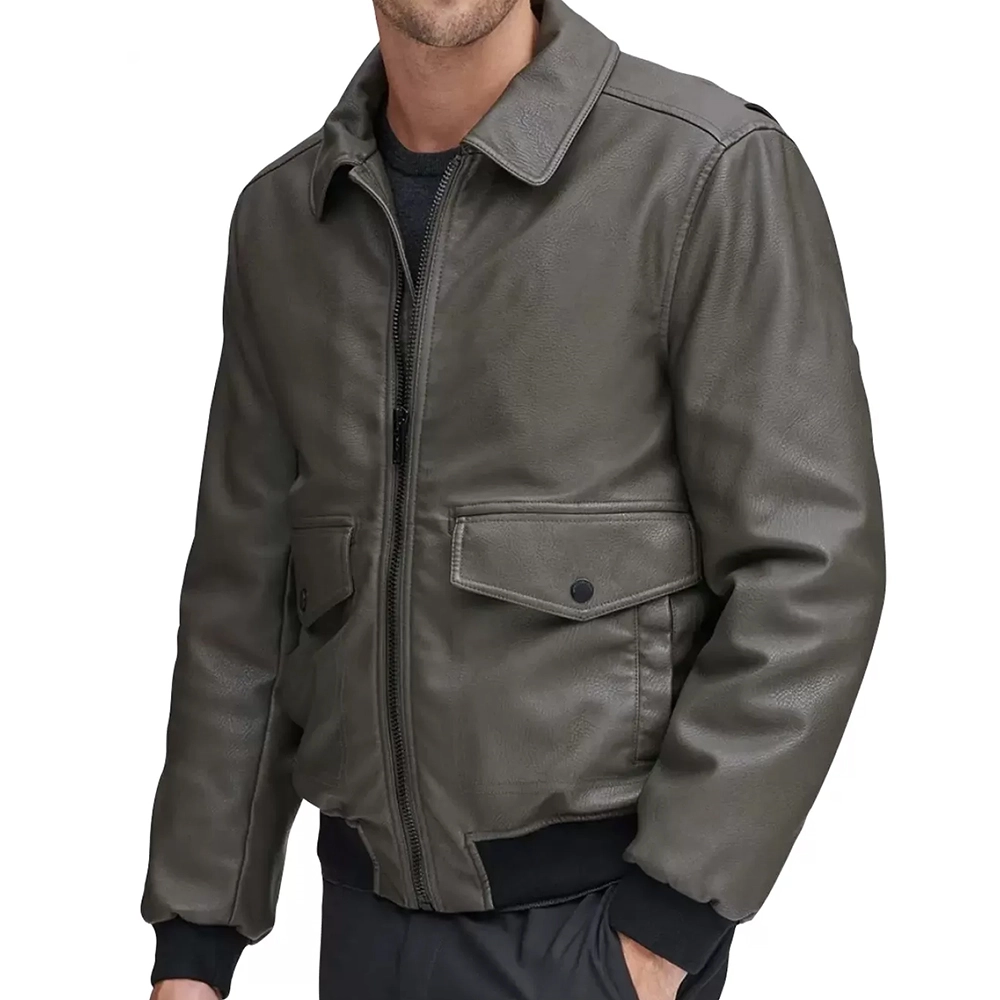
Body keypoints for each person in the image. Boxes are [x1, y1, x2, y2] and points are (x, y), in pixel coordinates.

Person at [141, 0, 886, 997]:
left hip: (590, 934)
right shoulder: (286, 218)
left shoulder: (700, 171)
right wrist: (193, 945)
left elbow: (810, 566)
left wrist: (663, 931)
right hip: (361, 926)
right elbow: (245, 597)